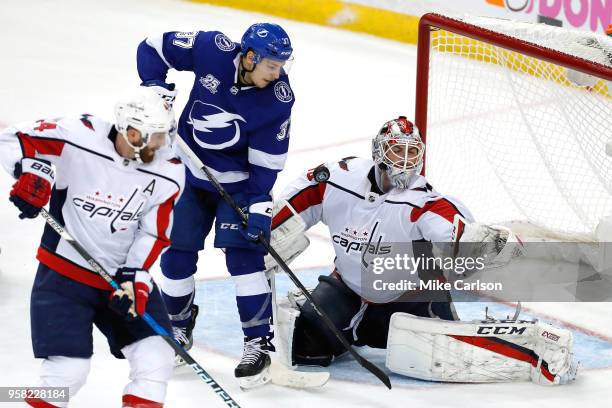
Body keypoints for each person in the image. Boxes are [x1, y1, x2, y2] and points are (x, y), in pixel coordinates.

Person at [267, 116, 578, 385]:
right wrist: (265, 229)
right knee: (306, 348)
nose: (404, 160)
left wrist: (477, 245)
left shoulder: (423, 202)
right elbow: (293, 206)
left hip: (408, 297)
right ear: (379, 151)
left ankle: (539, 354)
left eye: (412, 151)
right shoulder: (338, 179)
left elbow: (452, 231)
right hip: (347, 288)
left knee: (448, 358)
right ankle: (346, 325)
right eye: (397, 150)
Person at [0, 88, 184, 407]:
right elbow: (11, 139)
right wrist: (31, 171)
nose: (161, 146)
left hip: (121, 278)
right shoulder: (78, 134)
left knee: (157, 357)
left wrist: (136, 278)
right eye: (155, 137)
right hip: (63, 276)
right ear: (131, 131)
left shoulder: (169, 169)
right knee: (68, 372)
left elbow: (154, 234)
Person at [136, 22, 294, 387]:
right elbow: (152, 47)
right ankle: (178, 328)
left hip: (237, 187)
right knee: (175, 256)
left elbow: (266, 162)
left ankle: (258, 344)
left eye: (282, 65)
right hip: (188, 174)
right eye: (271, 64)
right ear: (250, 56)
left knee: (243, 258)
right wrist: (154, 88)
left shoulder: (277, 99)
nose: (277, 73)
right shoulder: (212, 49)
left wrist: (258, 207)